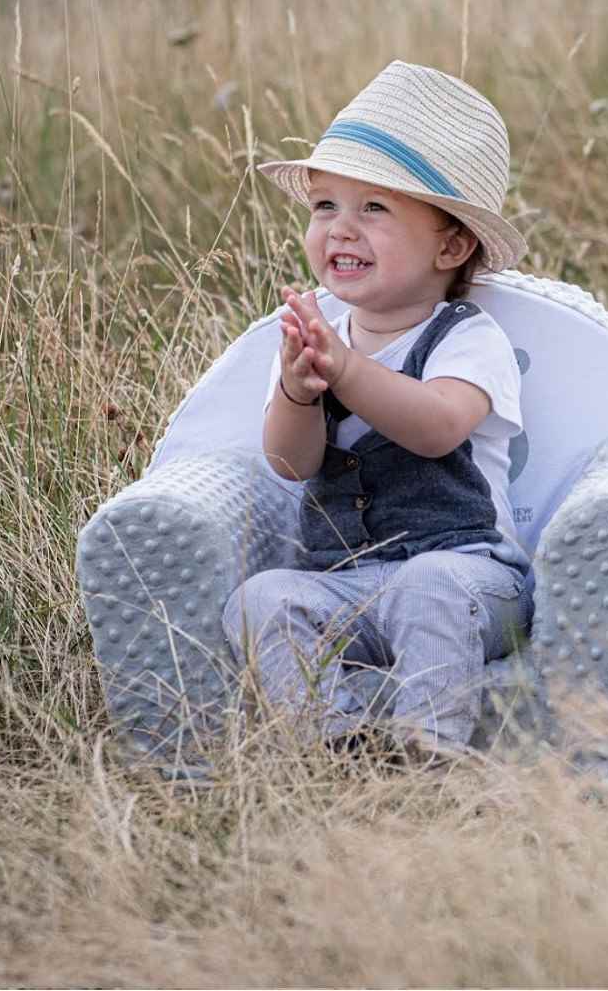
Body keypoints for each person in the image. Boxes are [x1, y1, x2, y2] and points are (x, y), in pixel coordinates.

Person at [221, 60, 531, 761]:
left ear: (451, 245)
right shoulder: (315, 338)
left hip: (470, 580)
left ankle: (428, 746)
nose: (341, 229)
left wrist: (346, 370)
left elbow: (437, 428)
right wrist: (299, 391)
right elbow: (289, 462)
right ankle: (333, 742)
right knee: (262, 599)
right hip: (350, 586)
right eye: (325, 206)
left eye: (374, 209)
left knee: (430, 586)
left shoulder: (468, 337)